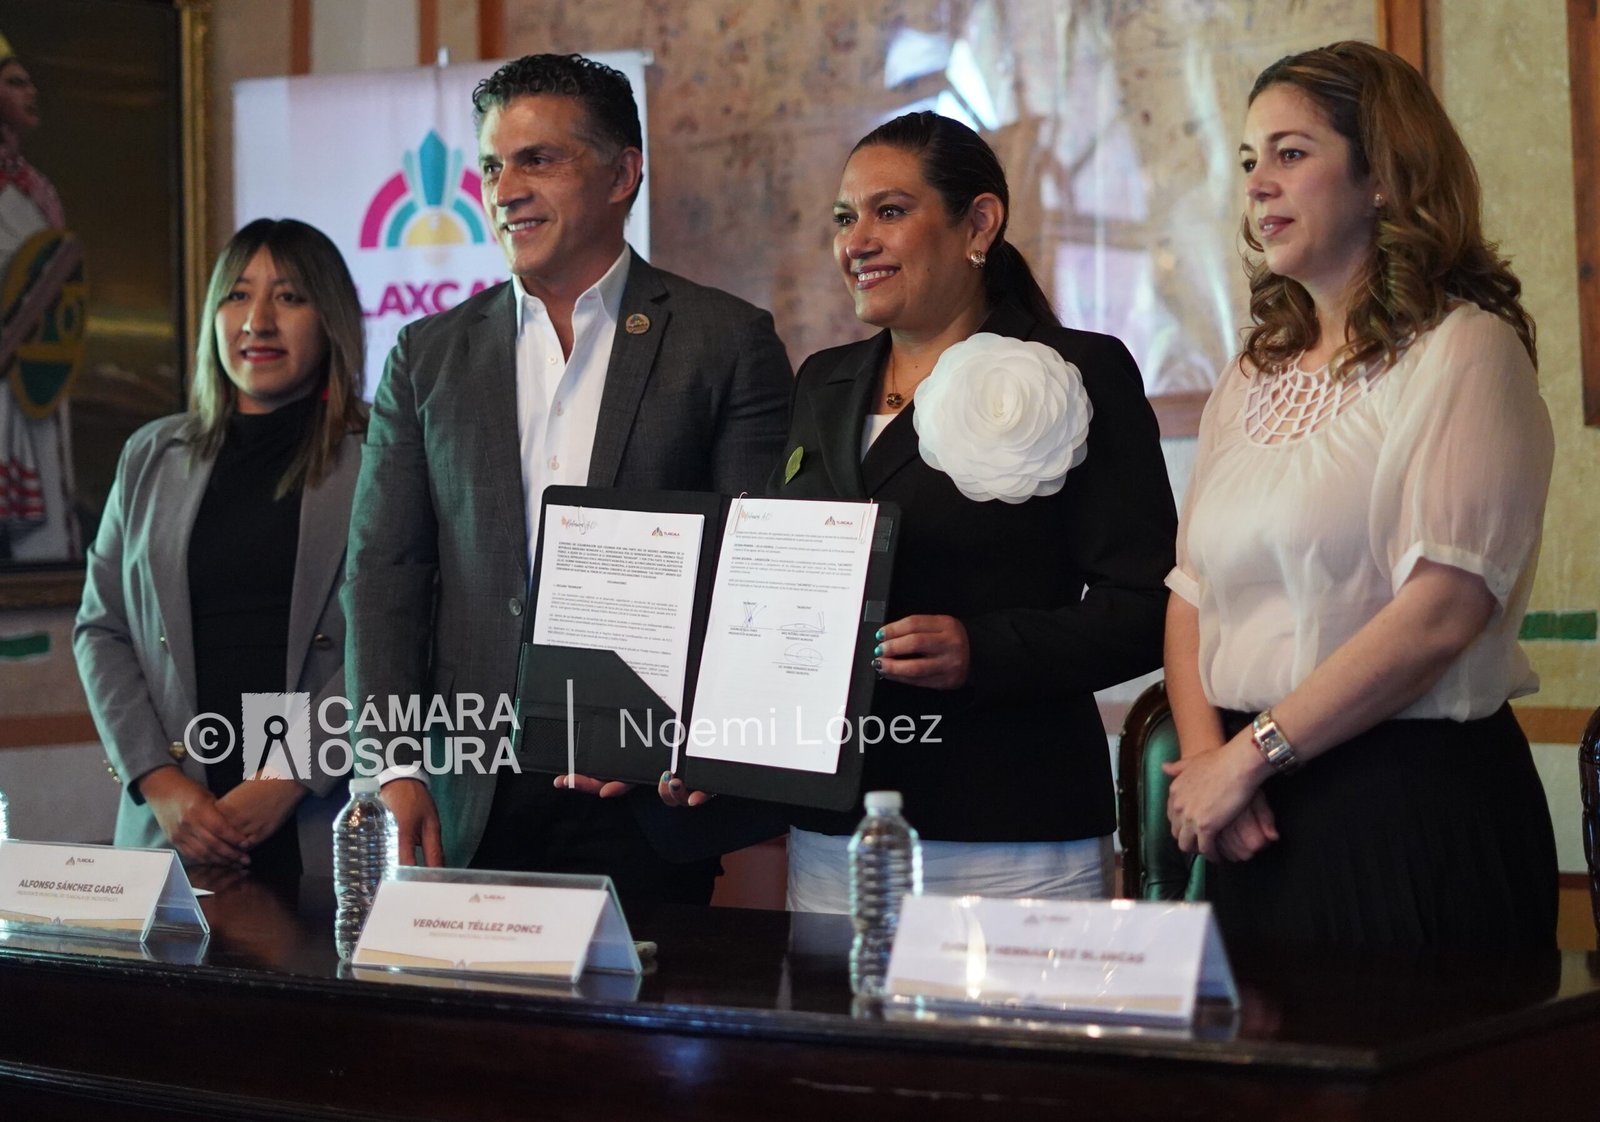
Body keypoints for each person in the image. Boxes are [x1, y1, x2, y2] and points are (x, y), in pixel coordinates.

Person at [344, 54, 792, 914]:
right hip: (468, 794)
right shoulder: (426, 355)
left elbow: (756, 576)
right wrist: (392, 764)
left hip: (645, 797)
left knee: (651, 1004)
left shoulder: (725, 341)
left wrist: (695, 745)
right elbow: (384, 574)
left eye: (538, 160)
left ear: (622, 175)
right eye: (490, 167)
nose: (504, 190)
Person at [1163, 41, 1557, 949]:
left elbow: (1442, 611)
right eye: (1249, 160)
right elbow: (1190, 594)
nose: (1259, 184)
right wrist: (1212, 766)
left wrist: (1253, 753)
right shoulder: (1249, 375)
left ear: (1382, 176)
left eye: (1291, 153)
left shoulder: (1465, 351)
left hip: (1407, 803)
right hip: (1249, 816)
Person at [745, 111, 1175, 912]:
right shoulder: (822, 382)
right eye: (844, 217)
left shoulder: (1077, 371)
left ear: (978, 223)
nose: (856, 241)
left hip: (1008, 826)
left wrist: (983, 650)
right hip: (836, 828)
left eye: (889, 211)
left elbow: (1150, 605)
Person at [75, 218, 368, 877]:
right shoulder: (151, 454)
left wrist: (291, 773)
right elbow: (102, 629)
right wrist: (159, 782)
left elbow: (402, 636)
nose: (257, 322)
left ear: (331, 319)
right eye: (237, 295)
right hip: (176, 826)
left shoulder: (383, 453)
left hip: (325, 820)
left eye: (289, 297)